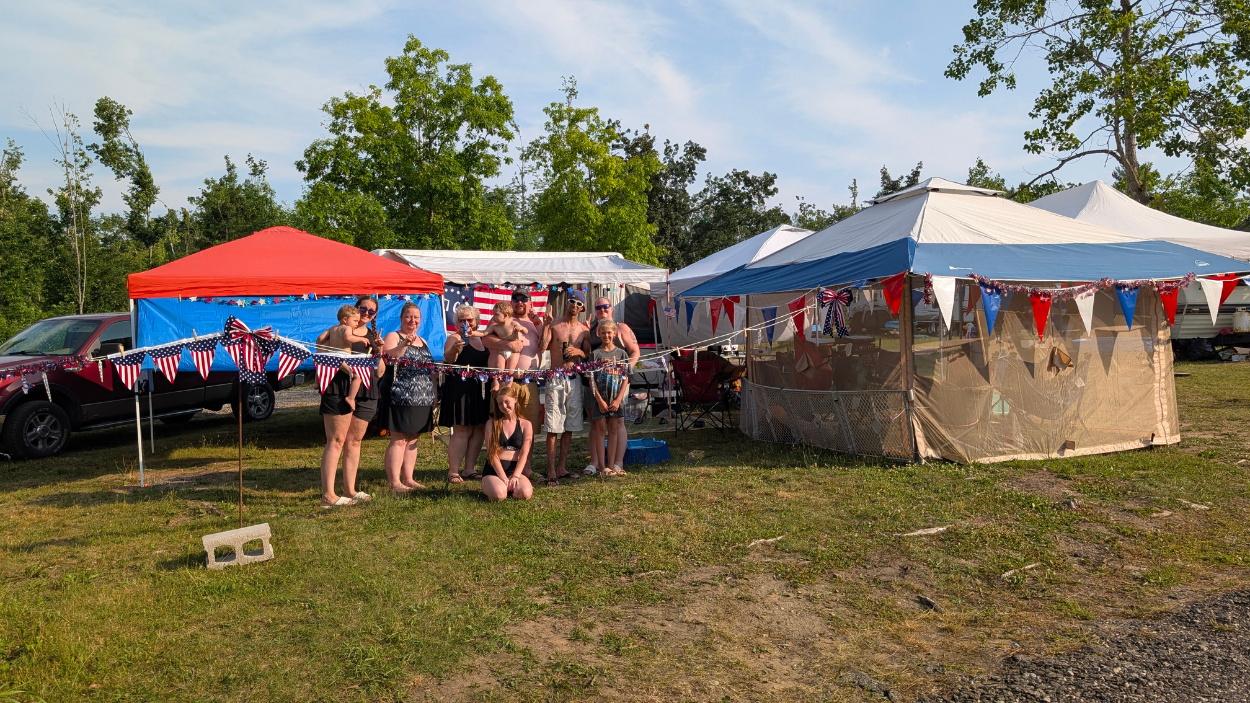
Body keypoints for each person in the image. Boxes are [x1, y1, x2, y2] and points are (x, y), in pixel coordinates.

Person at [316, 295, 385, 507]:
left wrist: (380, 351)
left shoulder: (374, 337)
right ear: (354, 310)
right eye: (363, 309)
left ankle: (350, 489)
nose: (366, 313)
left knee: (354, 441)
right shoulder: (338, 329)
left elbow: (379, 373)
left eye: (371, 311)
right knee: (336, 440)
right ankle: (328, 495)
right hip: (338, 386)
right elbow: (319, 351)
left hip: (366, 389)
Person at [480, 290, 545, 477]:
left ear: (531, 302)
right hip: (504, 382)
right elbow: (486, 339)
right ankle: (500, 466)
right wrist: (508, 345)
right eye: (516, 299)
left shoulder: (534, 323)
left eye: (524, 299)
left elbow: (544, 344)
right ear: (511, 304)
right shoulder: (499, 319)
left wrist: (539, 322)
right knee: (501, 424)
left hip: (528, 383)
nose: (520, 302)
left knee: (527, 426)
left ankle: (526, 467)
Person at [382, 302, 437, 492]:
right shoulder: (393, 336)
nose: (412, 321)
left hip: (423, 398)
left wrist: (434, 396)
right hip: (400, 396)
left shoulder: (424, 341)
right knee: (399, 439)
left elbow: (431, 372)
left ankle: (409, 478)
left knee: (413, 439)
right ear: (401, 318)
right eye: (408, 317)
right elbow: (387, 358)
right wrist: (404, 344)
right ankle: (395, 483)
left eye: (416, 317)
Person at [537, 289, 590, 485]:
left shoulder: (584, 330)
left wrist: (578, 351)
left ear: (582, 307)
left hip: (574, 379)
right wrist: (546, 325)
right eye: (571, 301)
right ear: (567, 302)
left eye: (578, 303)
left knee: (570, 425)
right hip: (556, 378)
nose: (574, 305)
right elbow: (542, 347)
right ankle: (551, 471)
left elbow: (588, 355)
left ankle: (562, 468)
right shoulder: (555, 324)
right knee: (553, 425)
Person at [582, 297, 640, 475]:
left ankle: (617, 463)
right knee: (596, 424)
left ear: (611, 308)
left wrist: (624, 372)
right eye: (598, 307)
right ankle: (597, 463)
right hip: (596, 385)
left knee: (617, 424)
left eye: (605, 306)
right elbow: (585, 353)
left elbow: (635, 351)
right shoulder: (590, 330)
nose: (602, 310)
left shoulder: (622, 328)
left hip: (618, 384)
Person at [440, 304, 497, 483]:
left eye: (469, 320)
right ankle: (453, 471)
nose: (466, 323)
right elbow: (448, 360)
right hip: (460, 388)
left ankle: (469, 469)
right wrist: (455, 349)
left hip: (481, 389)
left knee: (479, 428)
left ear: (476, 321)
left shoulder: (483, 339)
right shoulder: (454, 338)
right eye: (462, 320)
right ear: (457, 323)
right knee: (462, 429)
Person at [481, 383, 534, 501]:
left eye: (507, 402)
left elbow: (524, 454)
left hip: (515, 470)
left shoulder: (526, 424)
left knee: (525, 494)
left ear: (515, 399)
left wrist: (515, 476)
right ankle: (495, 487)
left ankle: (512, 487)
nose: (504, 406)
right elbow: (492, 453)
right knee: (499, 495)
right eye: (500, 403)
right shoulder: (492, 424)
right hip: (494, 470)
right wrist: (503, 477)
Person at [589, 320, 630, 476]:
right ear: (599, 333)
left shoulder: (621, 354)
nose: (606, 335)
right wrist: (599, 400)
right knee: (600, 430)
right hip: (600, 399)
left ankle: (612, 465)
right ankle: (602, 467)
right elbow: (591, 379)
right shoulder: (595, 354)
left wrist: (619, 399)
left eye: (609, 332)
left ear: (614, 333)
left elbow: (626, 378)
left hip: (615, 399)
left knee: (613, 429)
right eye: (603, 332)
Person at [322, 304, 372, 412]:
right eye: (355, 321)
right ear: (345, 319)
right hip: (342, 358)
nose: (357, 323)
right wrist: (361, 339)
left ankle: (317, 382)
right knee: (357, 376)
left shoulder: (332, 328)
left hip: (332, 355)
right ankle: (351, 398)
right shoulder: (347, 328)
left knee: (324, 368)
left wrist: (320, 346)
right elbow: (348, 338)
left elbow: (320, 338)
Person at [467, 301, 525, 389]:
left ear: (505, 315)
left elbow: (526, 331)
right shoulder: (495, 327)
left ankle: (508, 387)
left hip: (513, 352)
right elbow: (483, 333)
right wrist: (473, 333)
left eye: (496, 314)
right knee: (499, 368)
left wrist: (521, 329)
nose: (493, 317)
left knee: (510, 370)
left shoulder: (513, 324)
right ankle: (496, 383)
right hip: (501, 351)